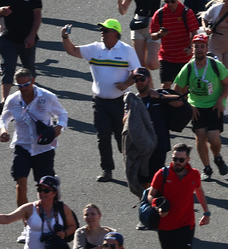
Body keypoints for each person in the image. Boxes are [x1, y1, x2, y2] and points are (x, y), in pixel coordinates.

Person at [61, 16, 139, 184]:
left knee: (122, 137)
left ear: (115, 34)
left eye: (105, 30)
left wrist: (125, 84)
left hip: (120, 102)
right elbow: (72, 50)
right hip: (100, 101)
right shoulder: (95, 49)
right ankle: (107, 169)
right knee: (103, 136)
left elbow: (138, 73)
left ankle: (131, 168)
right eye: (101, 30)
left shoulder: (126, 51)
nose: (102, 33)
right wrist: (65, 37)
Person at [0, 67, 66, 207]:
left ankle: (50, 214)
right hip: (22, 145)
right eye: (20, 86)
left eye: (26, 84)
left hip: (43, 147)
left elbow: (62, 115)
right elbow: (3, 118)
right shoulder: (13, 100)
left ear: (33, 81)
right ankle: (26, 220)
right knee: (20, 183)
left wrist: (59, 127)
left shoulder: (47, 97)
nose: (23, 88)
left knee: (44, 187)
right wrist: (3, 130)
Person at [173, 33, 228, 180]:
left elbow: (226, 84)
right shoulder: (188, 68)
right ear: (192, 48)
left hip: (214, 106)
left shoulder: (215, 65)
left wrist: (220, 100)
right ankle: (207, 168)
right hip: (196, 107)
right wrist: (188, 106)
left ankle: (217, 157)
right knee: (200, 135)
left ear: (206, 48)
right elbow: (176, 90)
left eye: (202, 46)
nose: (199, 49)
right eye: (196, 46)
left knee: (213, 138)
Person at [148, 145, 210, 248]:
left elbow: (199, 191)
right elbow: (150, 194)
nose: (177, 162)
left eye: (181, 159)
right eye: (174, 159)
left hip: (186, 224)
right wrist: (157, 205)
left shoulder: (194, 174)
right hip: (165, 226)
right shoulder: (162, 174)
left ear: (188, 159)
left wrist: (206, 212)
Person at [0, 174, 77, 249]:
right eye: (39, 190)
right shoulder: (29, 208)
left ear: (54, 193)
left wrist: (64, 233)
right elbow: (7, 218)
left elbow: (73, 226)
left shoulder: (62, 208)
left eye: (46, 190)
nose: (42, 193)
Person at [0, 0, 40, 100]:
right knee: (8, 69)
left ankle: (32, 98)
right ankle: (4, 101)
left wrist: (32, 36)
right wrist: (1, 11)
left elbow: (37, 16)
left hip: (27, 39)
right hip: (8, 38)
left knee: (29, 70)